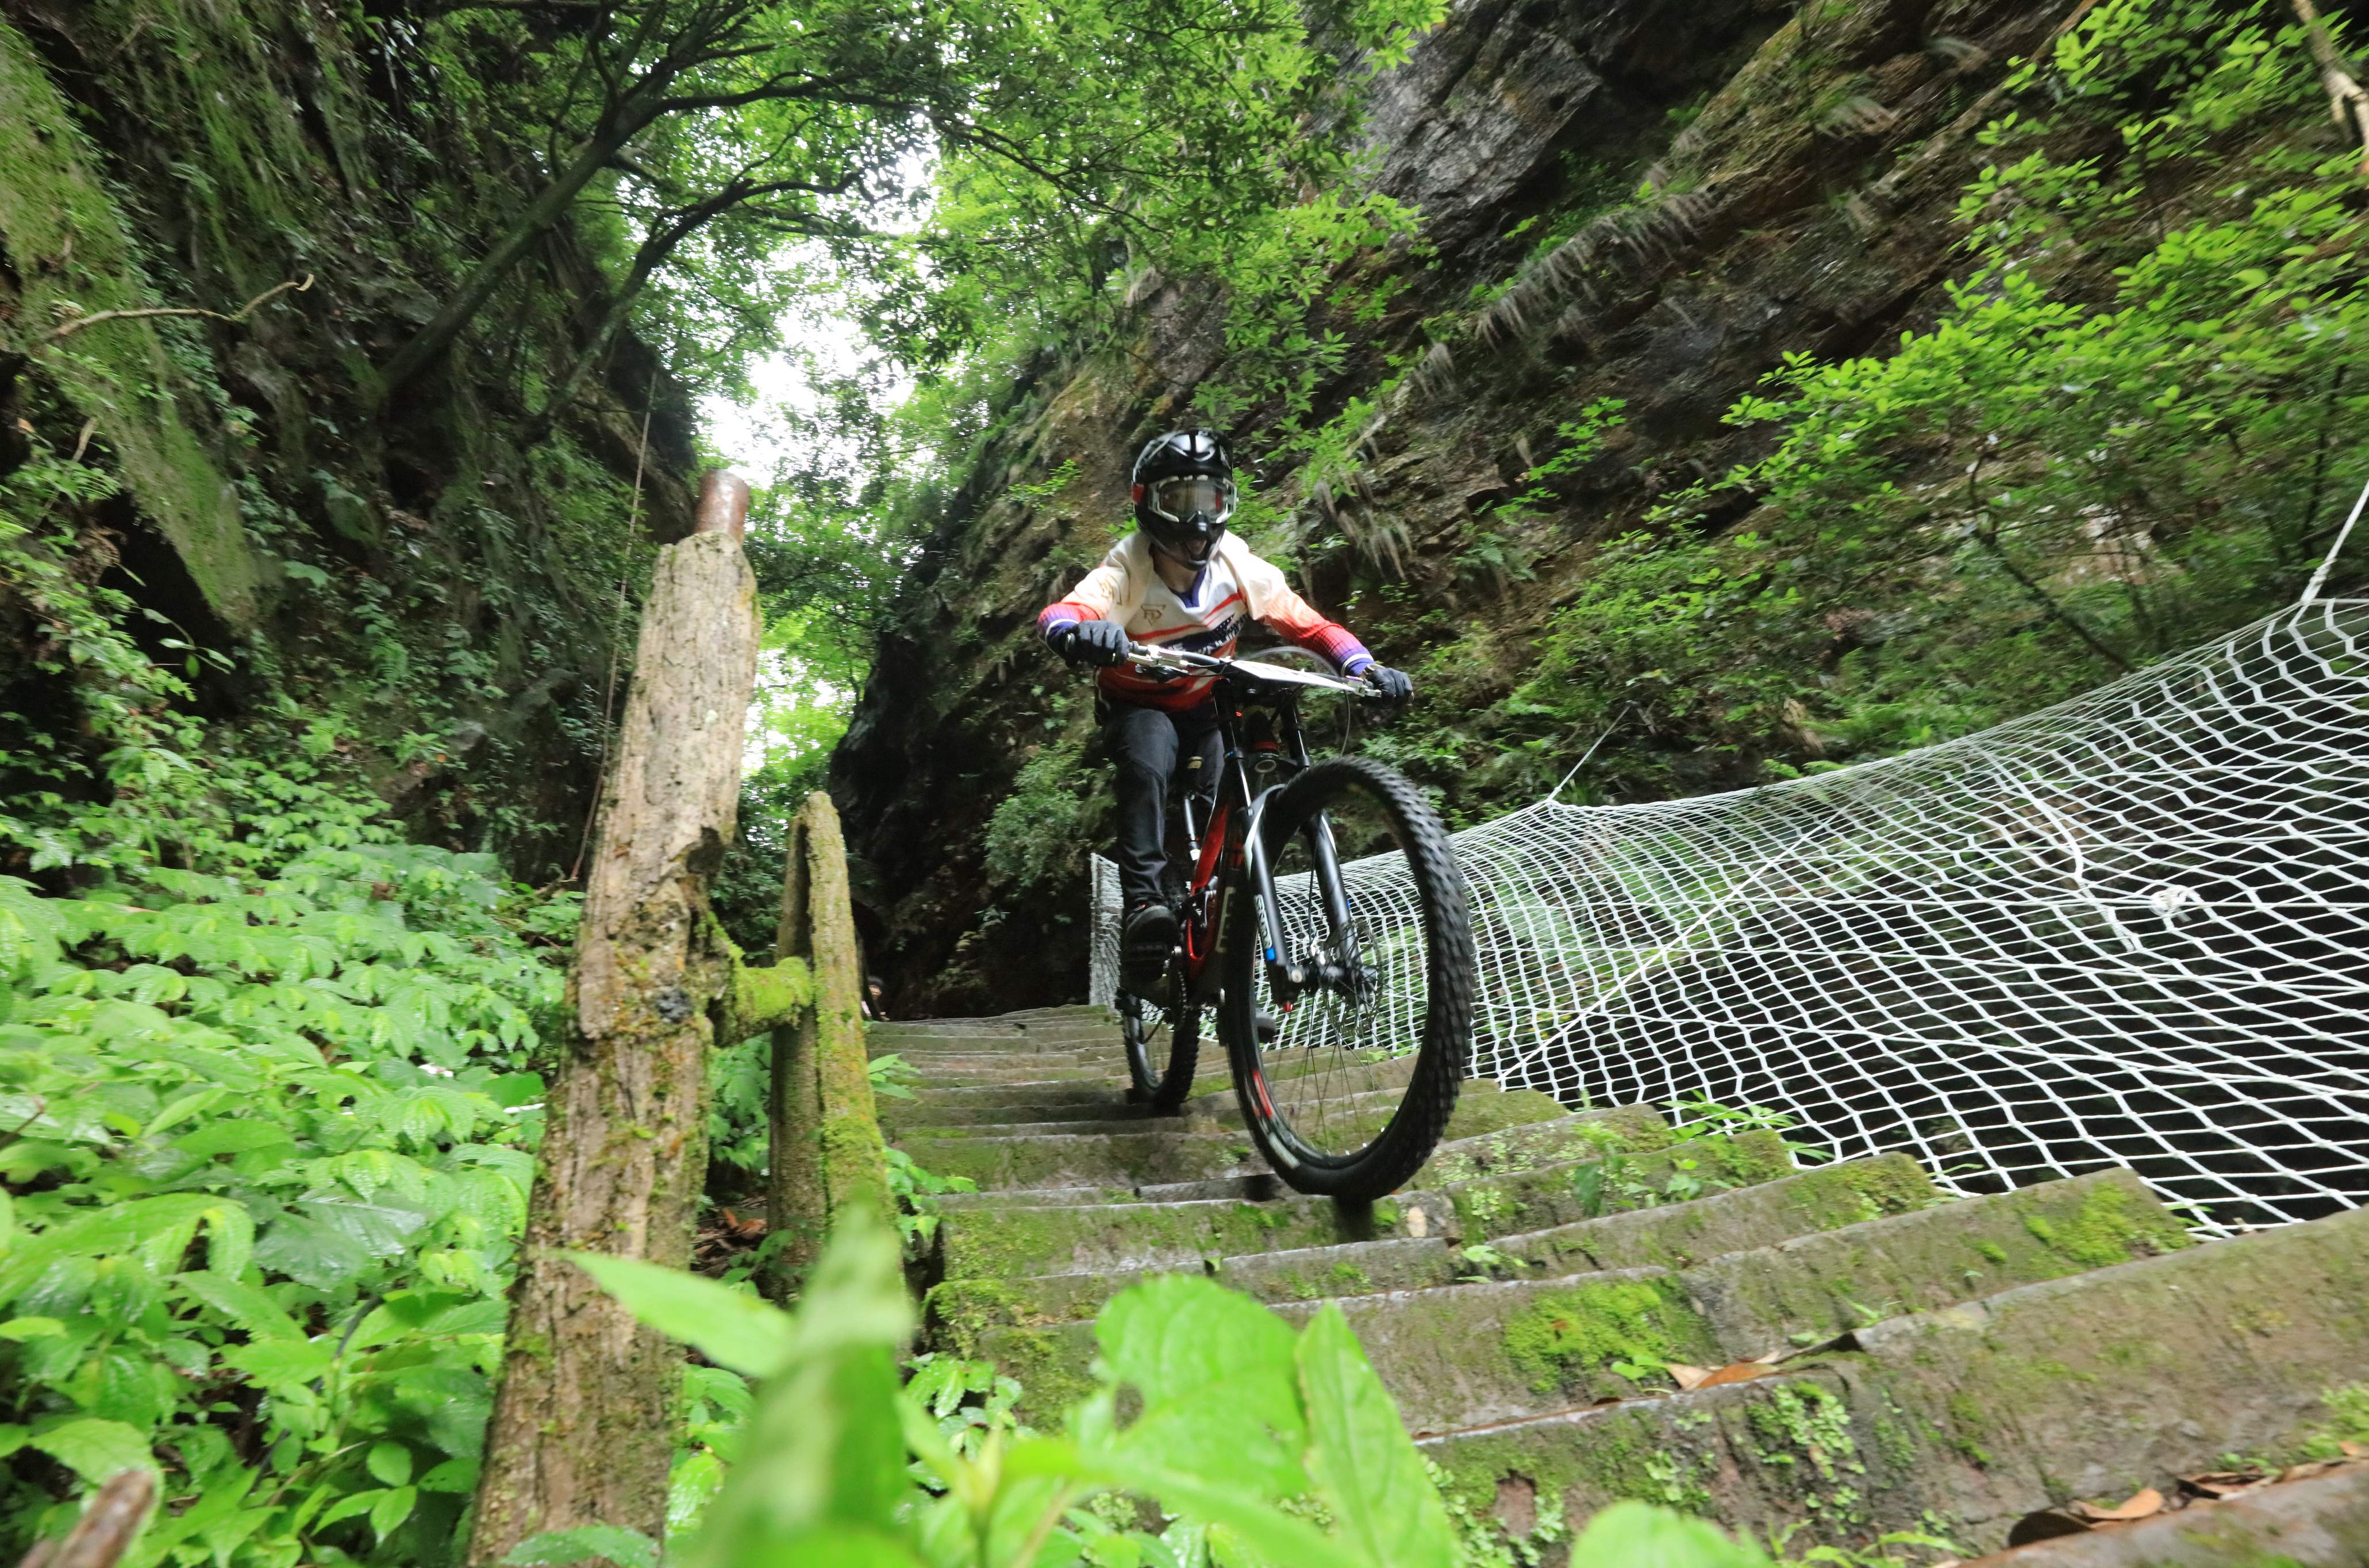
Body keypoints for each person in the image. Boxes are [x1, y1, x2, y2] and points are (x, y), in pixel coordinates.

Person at [1037, 429, 1412, 991]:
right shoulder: (1127, 570)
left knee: (1232, 799)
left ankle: (1225, 960)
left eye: (1210, 500)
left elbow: (1310, 627)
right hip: (1139, 705)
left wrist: (1363, 667)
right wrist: (1081, 633)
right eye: (1179, 500)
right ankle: (1144, 905)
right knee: (1148, 756)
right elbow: (1062, 613)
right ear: (1148, 504)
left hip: (1209, 704)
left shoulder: (1237, 565)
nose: (1197, 519)